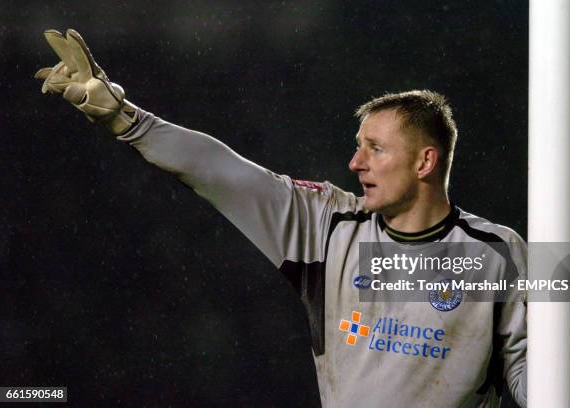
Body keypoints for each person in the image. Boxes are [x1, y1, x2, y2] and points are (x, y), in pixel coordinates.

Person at [35, 29, 527, 408]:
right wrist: (125, 119)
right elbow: (223, 172)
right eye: (358, 148)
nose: (355, 164)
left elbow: (537, 367)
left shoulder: (500, 250)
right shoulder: (326, 227)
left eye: (375, 149)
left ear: (425, 162)